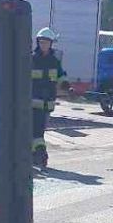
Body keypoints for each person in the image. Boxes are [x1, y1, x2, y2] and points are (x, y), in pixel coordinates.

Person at [30, 27, 65, 168]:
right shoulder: (32, 59)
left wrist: (67, 86)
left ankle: (37, 155)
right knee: (36, 131)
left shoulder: (54, 61)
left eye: (46, 42)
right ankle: (40, 156)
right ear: (38, 42)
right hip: (32, 103)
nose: (43, 44)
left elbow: (61, 76)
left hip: (47, 104)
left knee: (39, 132)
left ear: (51, 43)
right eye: (41, 42)